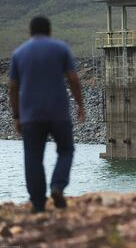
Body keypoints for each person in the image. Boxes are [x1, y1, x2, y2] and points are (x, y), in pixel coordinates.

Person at [8, 16, 85, 213]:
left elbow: (13, 88)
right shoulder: (61, 49)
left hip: (31, 116)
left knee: (33, 157)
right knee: (66, 150)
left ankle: (38, 204)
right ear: (50, 31)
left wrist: (16, 116)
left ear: (30, 32)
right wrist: (80, 104)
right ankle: (57, 186)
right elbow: (73, 79)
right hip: (58, 113)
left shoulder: (19, 54)